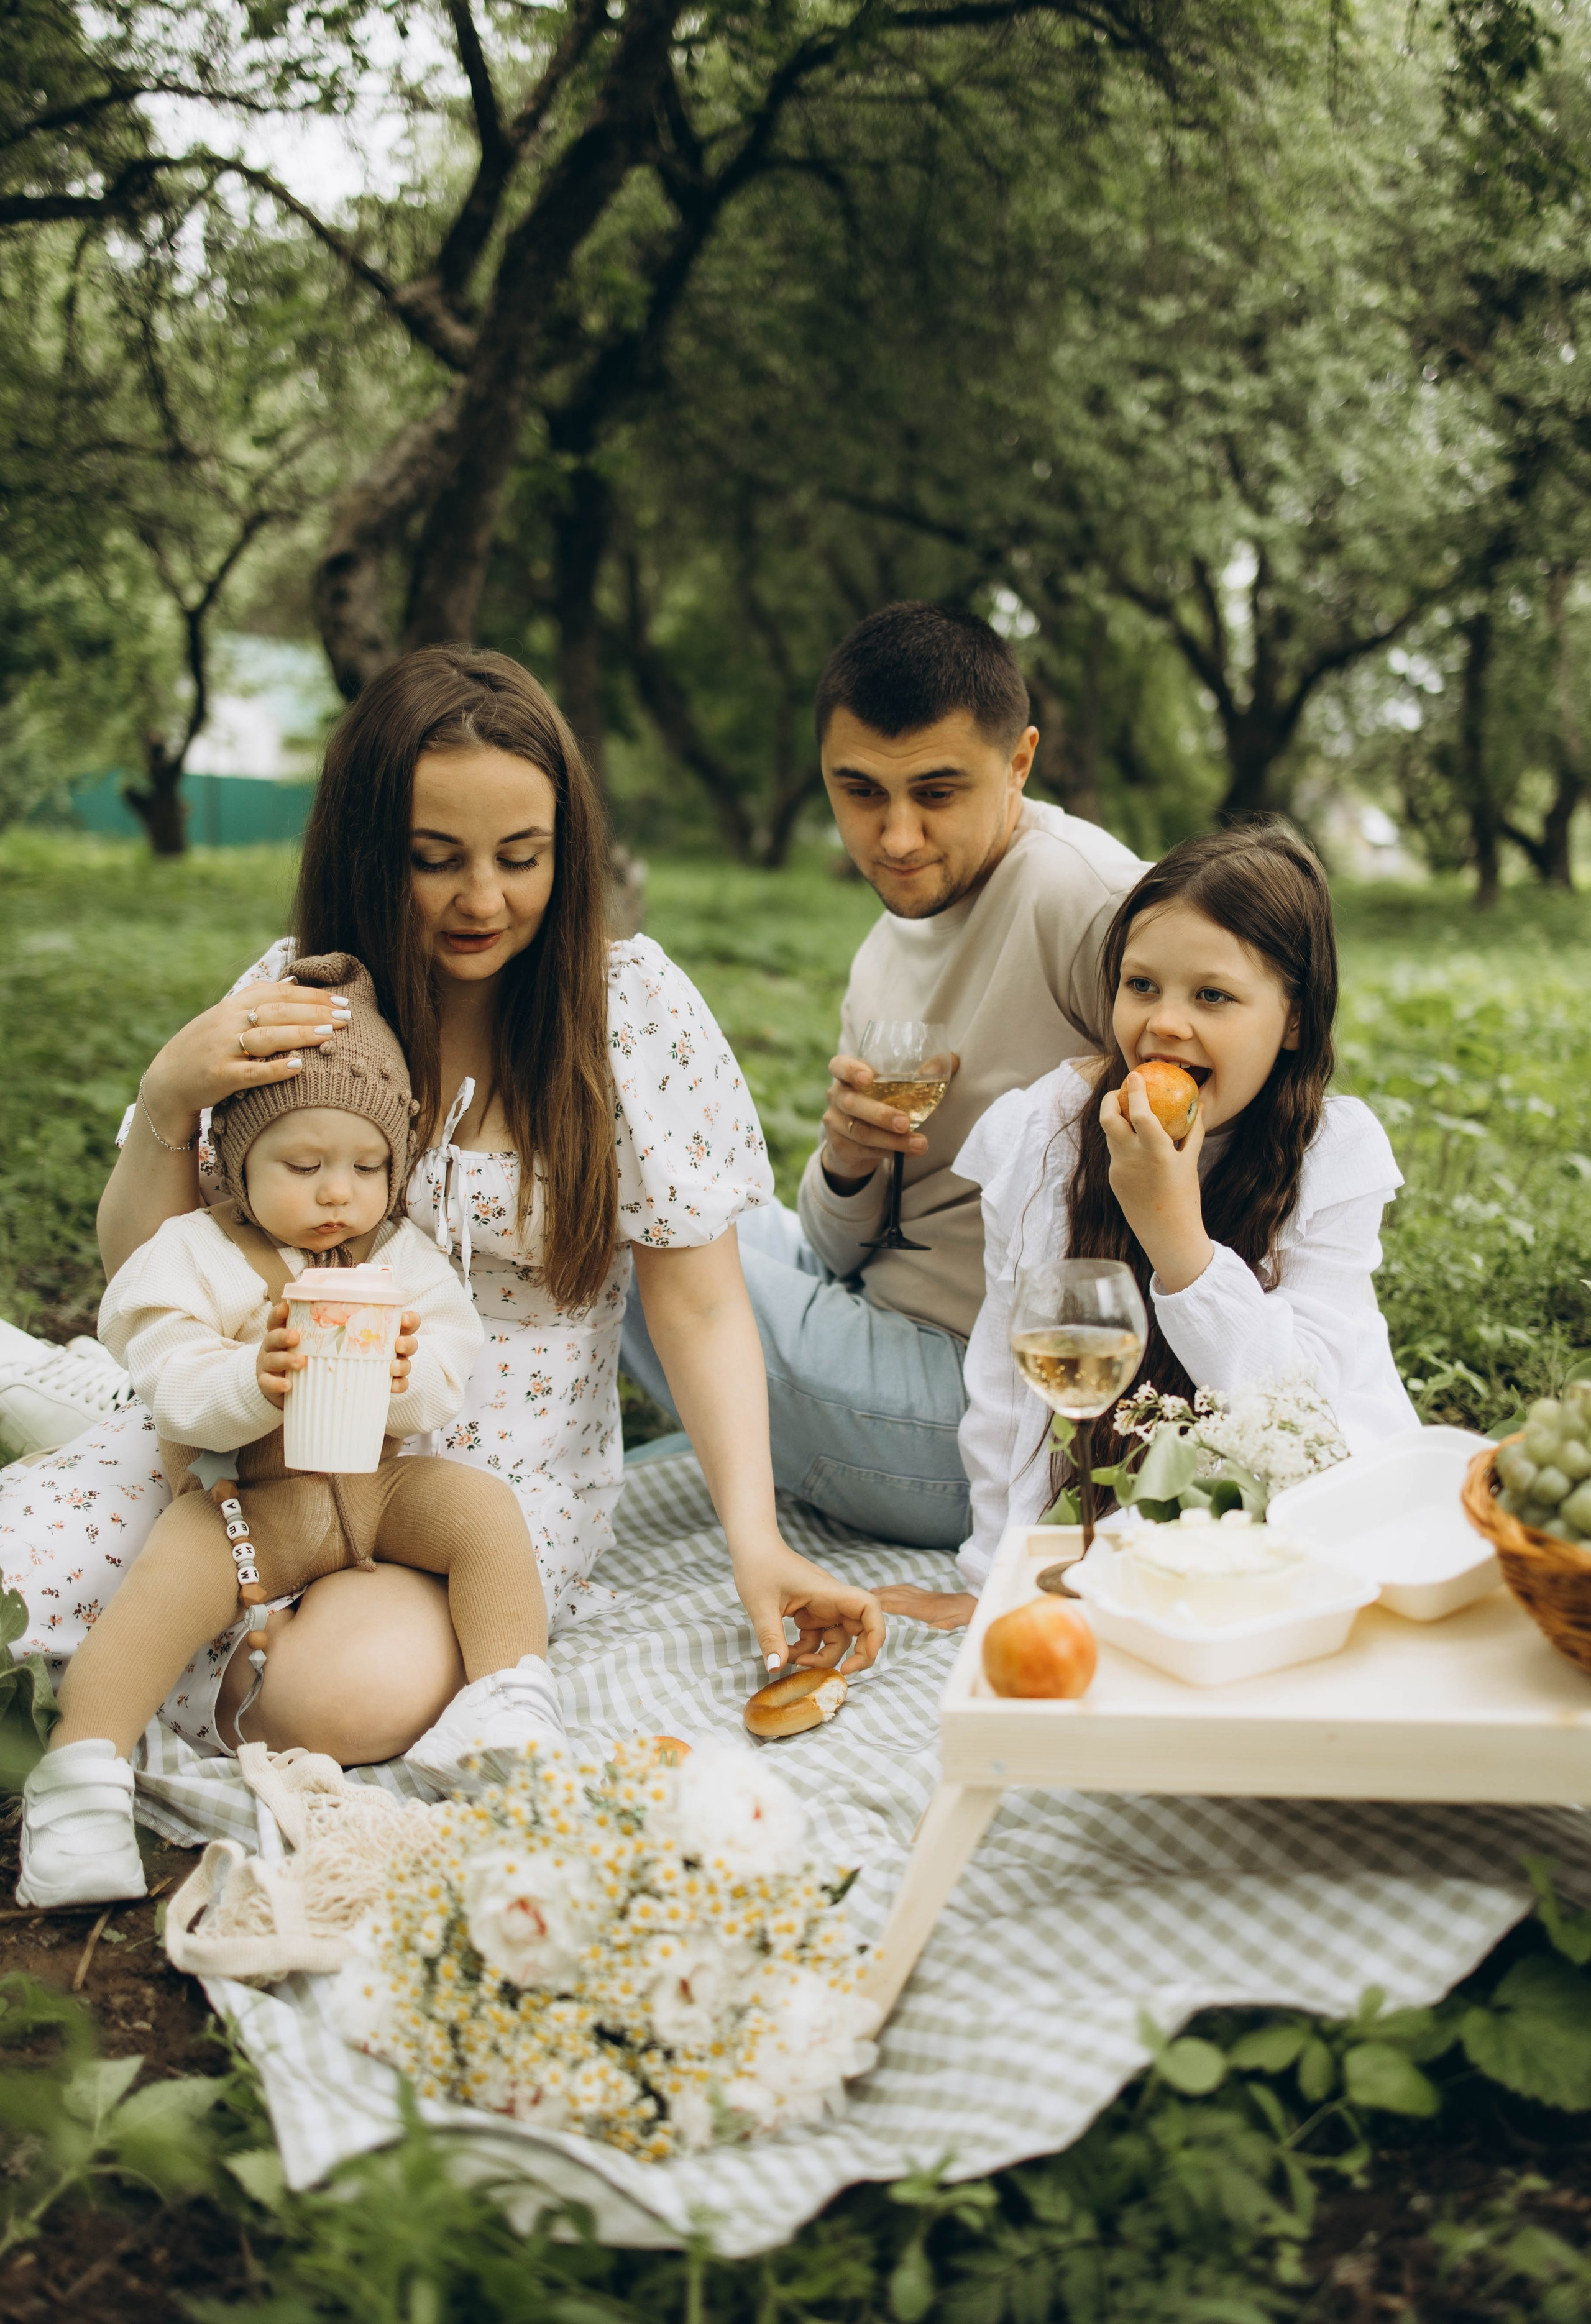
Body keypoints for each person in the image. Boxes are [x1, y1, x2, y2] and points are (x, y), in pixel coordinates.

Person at [0, 647, 883, 1775]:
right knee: (23, 1573)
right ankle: (104, 1434)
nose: (483, 899)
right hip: (263, 1436)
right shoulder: (308, 995)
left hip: (487, 1491)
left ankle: (102, 1478)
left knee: (332, 1700)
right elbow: (150, 1264)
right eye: (435, 860)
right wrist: (171, 1098)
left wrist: (754, 1541)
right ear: (370, 851)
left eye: (522, 857)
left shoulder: (629, 1010)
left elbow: (703, 1311)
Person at [18, 953, 571, 1906]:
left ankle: (508, 1702)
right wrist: (253, 1377)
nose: (337, 1194)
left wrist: (406, 1376)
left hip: (378, 1489)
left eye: (367, 1168)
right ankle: (80, 1778)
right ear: (239, 1161)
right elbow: (167, 1375)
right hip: (250, 1503)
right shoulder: (197, 1253)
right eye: (304, 1167)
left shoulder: (400, 1255)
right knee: (163, 1586)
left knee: (482, 1509)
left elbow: (449, 1364)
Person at [621, 600, 1140, 1548]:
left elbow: (1250, 1125)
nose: (897, 837)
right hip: (878, 1309)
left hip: (998, 1405)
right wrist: (849, 1162)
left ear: (1020, 763)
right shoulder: (887, 944)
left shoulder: (1087, 900)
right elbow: (840, 1252)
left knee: (612, 1217)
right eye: (860, 792)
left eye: (937, 792)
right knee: (647, 1181)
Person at [893, 820, 1418, 1628]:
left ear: (1294, 1020)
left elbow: (1299, 1420)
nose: (1165, 1024)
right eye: (1141, 985)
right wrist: (996, 1578)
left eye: (1213, 996)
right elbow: (1010, 1389)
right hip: (1121, 1515)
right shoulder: (1048, 1133)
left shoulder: (1332, 1156)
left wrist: (1176, 1236)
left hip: (1297, 1513)